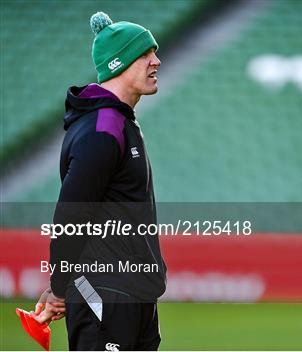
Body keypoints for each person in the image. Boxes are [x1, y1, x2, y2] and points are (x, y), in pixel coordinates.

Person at [32, 12, 166, 350]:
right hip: (105, 294)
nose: (156, 61)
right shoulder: (102, 128)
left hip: (133, 295)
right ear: (119, 62)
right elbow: (70, 215)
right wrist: (61, 286)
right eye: (145, 54)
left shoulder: (119, 123)